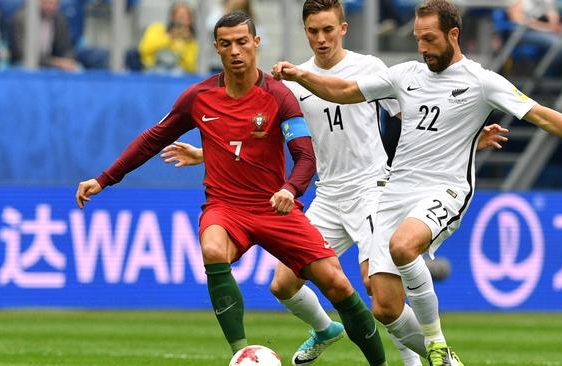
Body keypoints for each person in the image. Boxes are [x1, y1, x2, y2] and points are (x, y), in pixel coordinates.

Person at [271, 1, 562, 365]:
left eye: (430, 39)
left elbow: (542, 116)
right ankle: (446, 361)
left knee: (403, 247)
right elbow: (344, 92)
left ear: (453, 34)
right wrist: (302, 76)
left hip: (443, 189)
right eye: (418, 38)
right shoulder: (404, 75)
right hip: (395, 192)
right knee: (384, 307)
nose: (423, 47)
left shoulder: (481, 81)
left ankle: (435, 343)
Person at [161, 2, 507, 365]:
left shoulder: (369, 67)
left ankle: (421, 359)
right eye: (313, 31)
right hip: (327, 194)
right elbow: (262, 135)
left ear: (343, 29)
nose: (321, 39)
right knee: (282, 285)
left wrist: (462, 135)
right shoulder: (296, 81)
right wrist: (205, 154)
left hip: (372, 189)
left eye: (328, 30)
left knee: (379, 291)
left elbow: (413, 113)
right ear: (305, 32)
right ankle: (325, 329)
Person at [76, 11, 388, 366]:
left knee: (337, 284)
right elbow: (151, 140)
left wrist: (291, 188)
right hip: (225, 208)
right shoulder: (199, 97)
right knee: (212, 247)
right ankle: (242, 352)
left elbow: (304, 156)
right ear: (216, 48)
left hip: (274, 207)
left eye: (242, 42)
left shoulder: (279, 95)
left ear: (256, 44)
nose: (235, 51)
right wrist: (104, 179)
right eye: (226, 44)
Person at [506, 0, 562, 76]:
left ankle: (559, 75)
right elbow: (517, 19)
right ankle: (547, 76)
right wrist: (546, 27)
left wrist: (554, 27)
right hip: (523, 31)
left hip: (544, 29)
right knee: (559, 45)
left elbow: (552, 14)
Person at [9, 0, 80, 71]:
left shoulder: (60, 20)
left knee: (76, 68)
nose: (49, 7)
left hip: (52, 63)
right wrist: (55, 62)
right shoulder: (20, 19)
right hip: (23, 63)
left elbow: (65, 47)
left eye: (53, 4)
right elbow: (20, 53)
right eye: (46, 3)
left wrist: (68, 59)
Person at [139, 1, 198, 74]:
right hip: (152, 70)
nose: (182, 20)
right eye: (179, 16)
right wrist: (169, 38)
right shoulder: (157, 28)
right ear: (172, 17)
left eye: (185, 17)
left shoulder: (190, 41)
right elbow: (144, 49)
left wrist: (187, 43)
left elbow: (190, 68)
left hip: (177, 75)